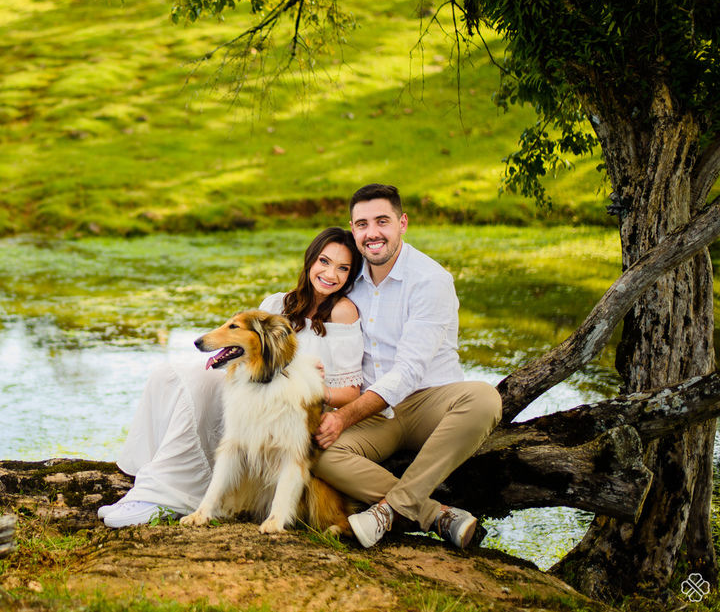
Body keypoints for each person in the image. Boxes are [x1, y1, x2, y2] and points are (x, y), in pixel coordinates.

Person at [100, 227, 366, 528]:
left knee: (211, 409)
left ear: (350, 275)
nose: (331, 273)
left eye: (343, 268)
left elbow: (352, 392)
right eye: (324, 261)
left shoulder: (343, 312)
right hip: (256, 393)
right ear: (310, 261)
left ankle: (164, 496)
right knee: (173, 378)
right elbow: (248, 359)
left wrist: (318, 387)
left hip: (298, 410)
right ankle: (149, 485)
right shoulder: (277, 303)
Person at [313, 184, 502, 549]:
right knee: (320, 452)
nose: (373, 233)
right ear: (353, 230)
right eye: (363, 224)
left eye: (382, 221)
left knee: (484, 399)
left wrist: (343, 417)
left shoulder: (430, 280)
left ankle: (388, 511)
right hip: (377, 413)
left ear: (402, 223)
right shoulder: (349, 282)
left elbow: (410, 370)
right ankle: (435, 515)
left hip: (428, 402)